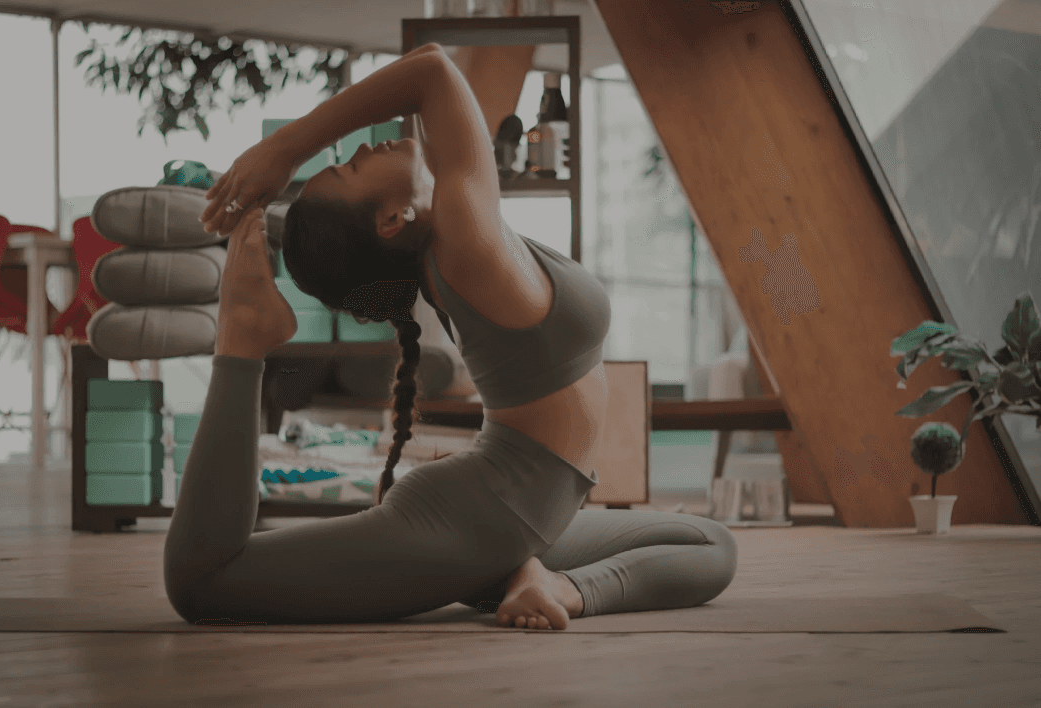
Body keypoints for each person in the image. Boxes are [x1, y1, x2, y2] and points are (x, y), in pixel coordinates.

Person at [164, 42, 737, 630]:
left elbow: (427, 98)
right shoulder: (466, 239)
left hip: (514, 517)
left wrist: (267, 208)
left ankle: (543, 580)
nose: (362, 147)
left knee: (710, 545)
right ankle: (242, 335)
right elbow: (433, 70)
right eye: (353, 168)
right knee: (205, 582)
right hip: (474, 522)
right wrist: (284, 150)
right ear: (391, 221)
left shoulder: (451, 239)